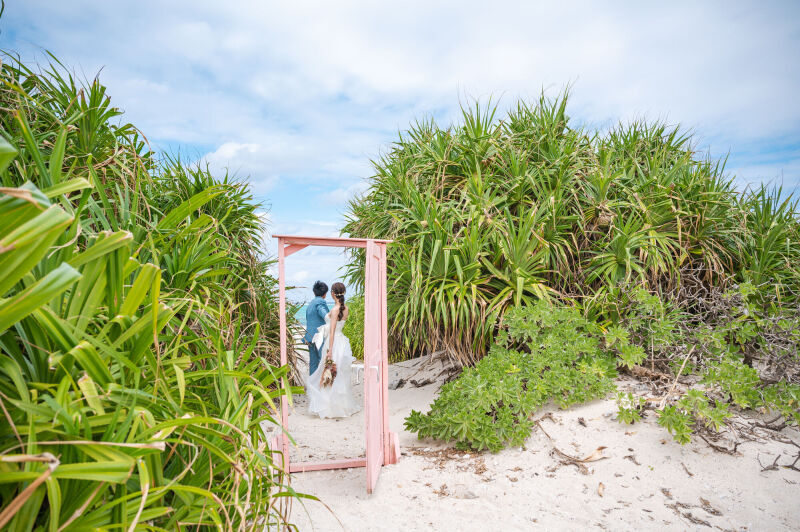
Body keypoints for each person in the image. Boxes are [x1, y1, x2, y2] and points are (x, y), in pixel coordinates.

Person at [307, 282, 360, 418]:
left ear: (332, 293)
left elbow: (331, 332)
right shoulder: (345, 308)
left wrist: (330, 350)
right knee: (339, 373)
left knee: (328, 371)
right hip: (342, 341)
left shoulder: (336, 309)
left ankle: (329, 406)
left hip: (334, 342)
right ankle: (341, 405)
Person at [304, 281, 329, 376]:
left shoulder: (310, 304)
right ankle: (322, 387)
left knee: (313, 363)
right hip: (319, 337)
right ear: (325, 293)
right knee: (323, 361)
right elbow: (325, 316)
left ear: (314, 292)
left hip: (309, 336)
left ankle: (312, 386)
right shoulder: (320, 302)